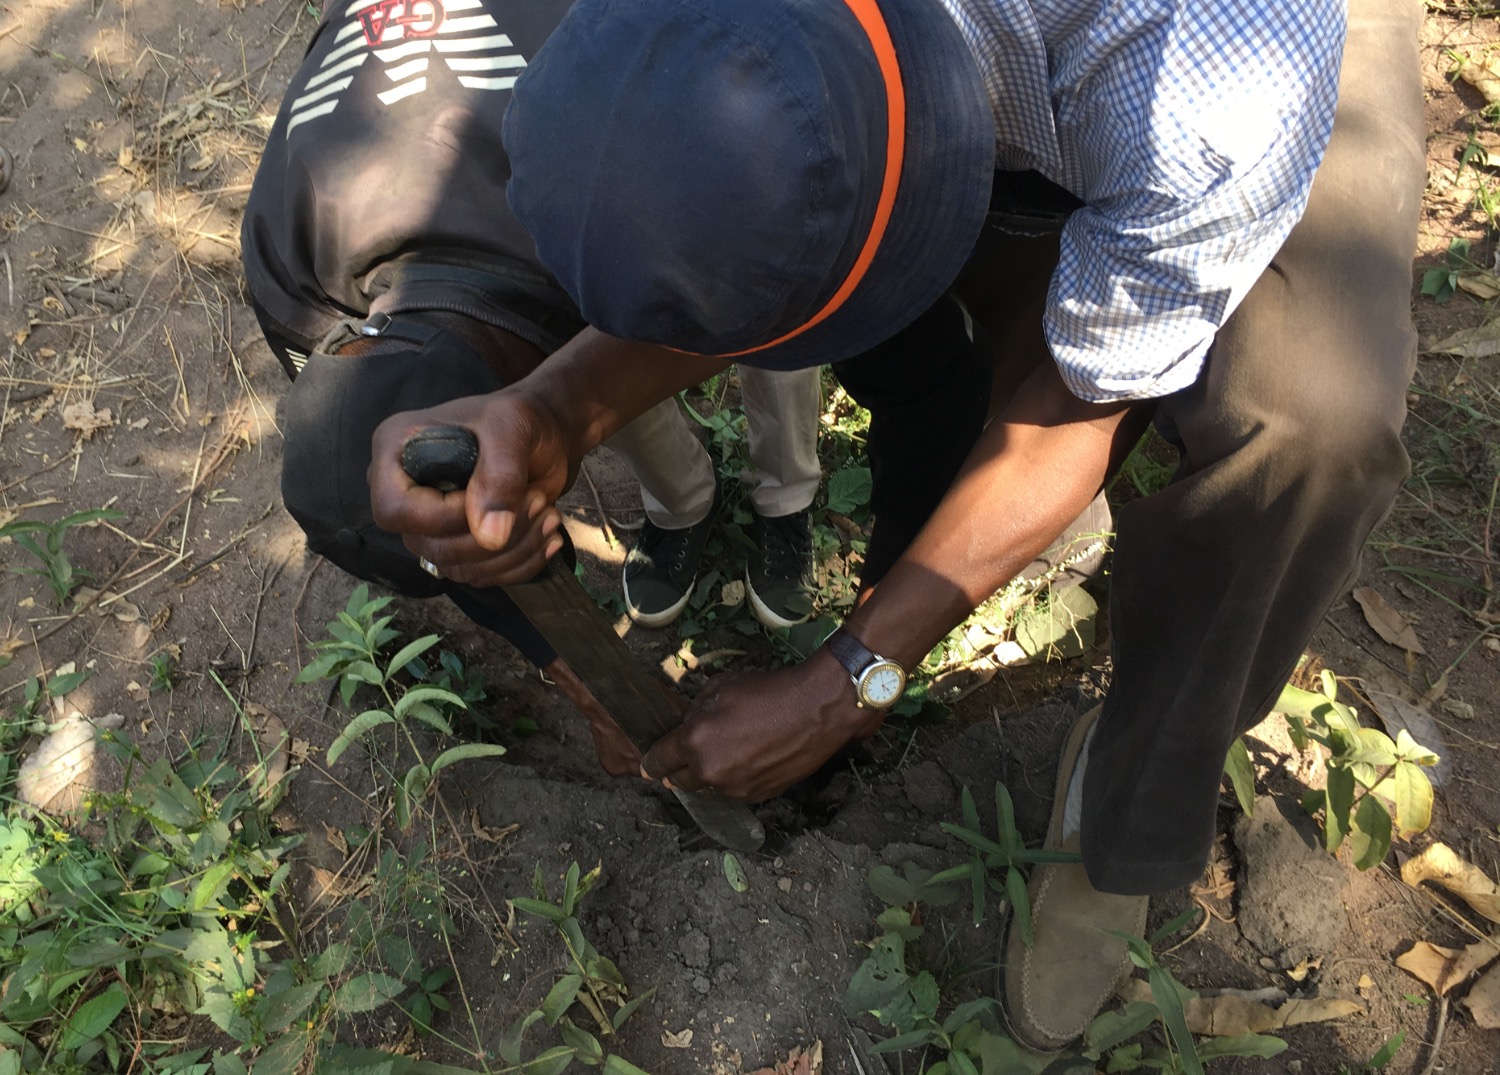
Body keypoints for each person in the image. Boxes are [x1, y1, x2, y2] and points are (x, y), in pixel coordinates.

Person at [364, 0, 1424, 1049]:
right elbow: (728, 181)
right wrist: (555, 407)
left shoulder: (1210, 96)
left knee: (1313, 425)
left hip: (1244, 63)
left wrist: (847, 683)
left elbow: (1070, 407)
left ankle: (1127, 807)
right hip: (984, 76)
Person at [240, 0, 826, 774]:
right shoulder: (287, 274)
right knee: (586, 376)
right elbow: (430, 507)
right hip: (503, 196)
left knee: (769, 289)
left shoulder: (616, 150)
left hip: (664, 135)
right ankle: (681, 504)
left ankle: (785, 495)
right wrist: (577, 676)